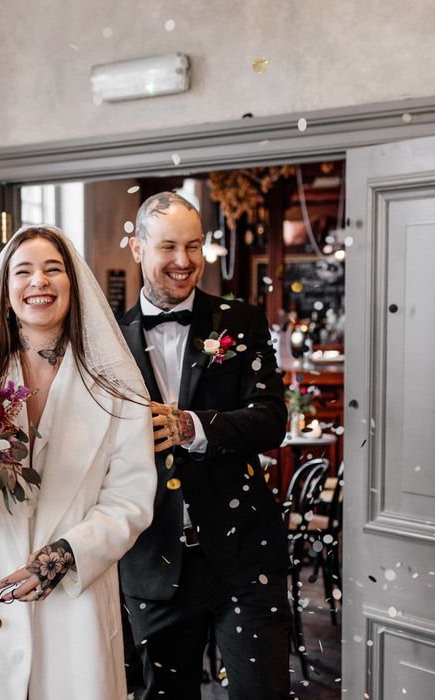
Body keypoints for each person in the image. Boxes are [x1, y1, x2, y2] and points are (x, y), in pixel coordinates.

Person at [0, 225, 156, 700]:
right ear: (6, 288)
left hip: (73, 607)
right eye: (24, 271)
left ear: (73, 284)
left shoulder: (115, 382)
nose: (39, 282)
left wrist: (65, 556)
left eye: (53, 269)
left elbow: (130, 498)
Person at [118, 192, 291, 699]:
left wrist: (193, 426)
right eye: (168, 246)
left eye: (194, 246)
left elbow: (271, 420)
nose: (184, 261)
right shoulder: (104, 340)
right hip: (153, 561)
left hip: (244, 555)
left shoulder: (240, 322)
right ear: (137, 248)